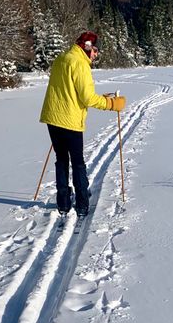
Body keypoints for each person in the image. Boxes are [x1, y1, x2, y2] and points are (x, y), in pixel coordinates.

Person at [39, 31, 126, 217]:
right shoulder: (80, 63)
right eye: (95, 50)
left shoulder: (62, 58)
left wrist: (100, 98)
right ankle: (82, 203)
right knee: (77, 162)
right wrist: (111, 104)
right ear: (86, 47)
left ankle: (63, 202)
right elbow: (87, 98)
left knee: (61, 159)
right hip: (69, 119)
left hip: (53, 117)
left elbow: (68, 90)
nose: (96, 55)